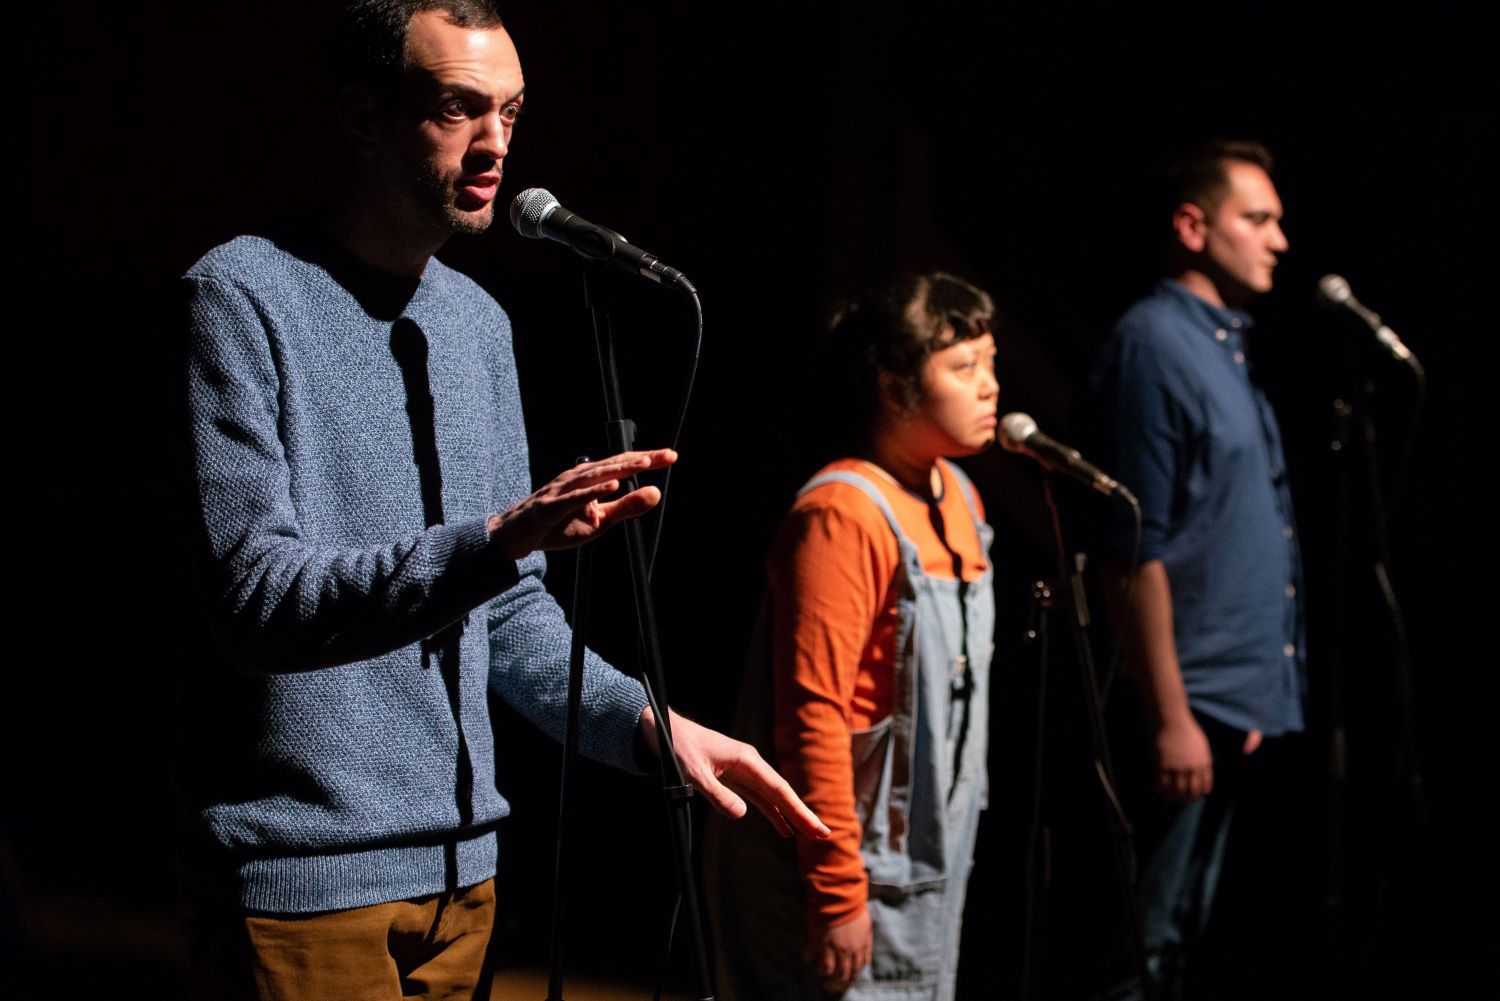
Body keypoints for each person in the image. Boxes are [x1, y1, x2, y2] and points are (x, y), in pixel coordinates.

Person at [178, 2, 825, 997]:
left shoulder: (477, 323)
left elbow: (511, 617)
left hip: (469, 881)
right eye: (457, 109)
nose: (496, 146)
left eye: (511, 113)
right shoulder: (241, 296)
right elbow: (254, 598)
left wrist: (649, 723)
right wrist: (490, 540)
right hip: (306, 881)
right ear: (363, 120)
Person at [705, 273, 999, 1000]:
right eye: (964, 368)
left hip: (928, 860)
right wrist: (837, 891)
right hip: (845, 864)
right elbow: (813, 715)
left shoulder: (959, 495)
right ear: (895, 387)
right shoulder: (843, 513)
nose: (990, 386)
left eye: (991, 363)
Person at [1086, 139, 1305, 1000]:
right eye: (1258, 219)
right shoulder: (1154, 345)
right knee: (1139, 953)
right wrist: (1173, 712)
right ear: (1192, 225)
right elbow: (1132, 545)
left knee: (1183, 949)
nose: (1278, 239)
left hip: (1232, 704)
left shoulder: (1229, 348)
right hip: (1188, 710)